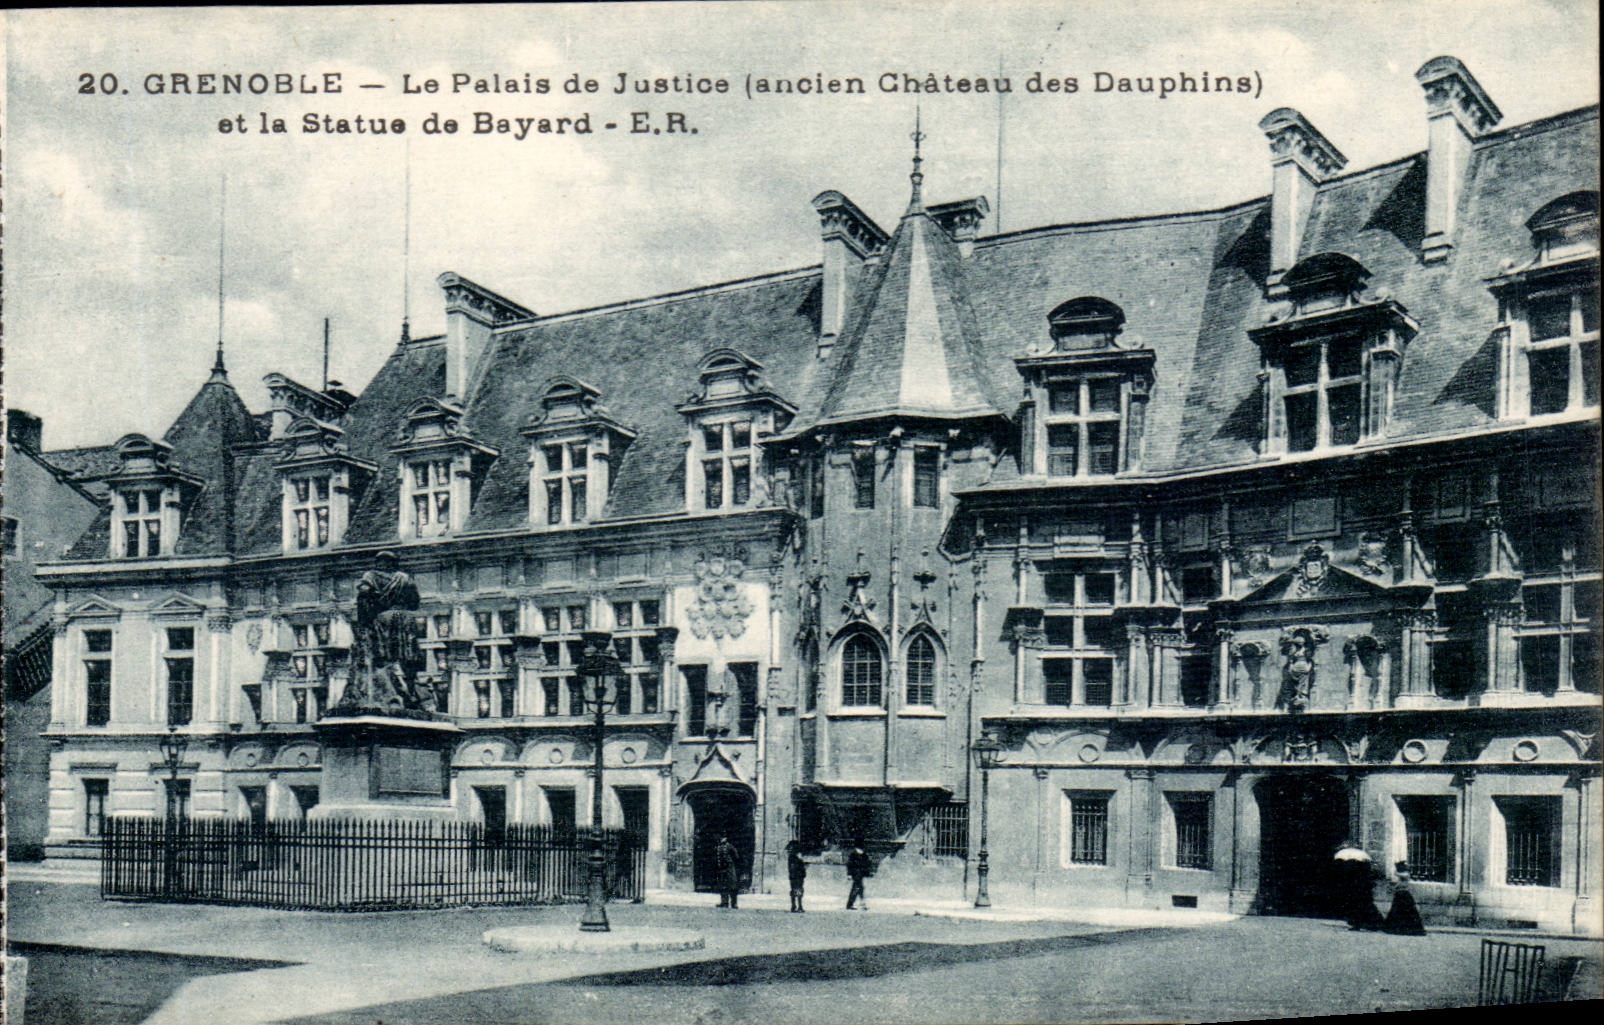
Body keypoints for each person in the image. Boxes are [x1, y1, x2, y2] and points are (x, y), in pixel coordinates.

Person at [342, 550, 432, 713]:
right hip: (405, 618)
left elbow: (363, 593)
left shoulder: (371, 576)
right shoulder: (404, 578)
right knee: (407, 656)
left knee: (384, 657)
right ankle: (411, 692)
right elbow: (415, 602)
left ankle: (392, 691)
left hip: (384, 618)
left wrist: (366, 615)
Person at [1334, 841, 1383, 931]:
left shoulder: (1349, 865)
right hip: (1364, 889)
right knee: (1365, 906)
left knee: (1356, 906)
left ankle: (1358, 924)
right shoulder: (1364, 862)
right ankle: (1371, 924)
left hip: (1357, 889)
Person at [1383, 860, 1427, 936]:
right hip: (1400, 894)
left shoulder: (1406, 874)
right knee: (1397, 911)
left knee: (1405, 912)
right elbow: (1398, 885)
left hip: (1404, 895)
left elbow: (1398, 874)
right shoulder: (1402, 877)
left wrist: (1394, 871)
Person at [715, 835, 740, 909]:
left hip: (730, 868)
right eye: (721, 838)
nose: (722, 839)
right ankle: (724, 902)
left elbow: (736, 855)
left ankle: (734, 903)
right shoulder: (718, 847)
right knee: (723, 886)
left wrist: (732, 863)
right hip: (722, 869)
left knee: (733, 885)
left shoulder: (729, 846)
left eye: (723, 838)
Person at [845, 840, 870, 911]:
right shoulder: (855, 855)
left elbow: (866, 864)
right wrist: (849, 874)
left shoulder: (860, 854)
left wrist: (849, 874)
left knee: (858, 889)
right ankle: (861, 904)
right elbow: (850, 865)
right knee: (858, 889)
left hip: (858, 874)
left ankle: (852, 904)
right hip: (856, 874)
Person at [787, 841, 808, 913]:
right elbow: (797, 867)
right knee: (798, 891)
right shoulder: (795, 858)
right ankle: (798, 906)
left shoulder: (791, 857)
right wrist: (801, 861)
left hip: (794, 876)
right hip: (797, 877)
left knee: (794, 891)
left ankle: (794, 906)